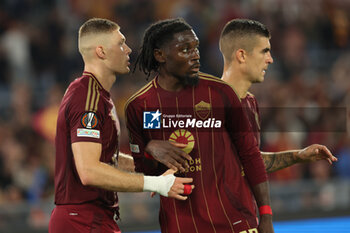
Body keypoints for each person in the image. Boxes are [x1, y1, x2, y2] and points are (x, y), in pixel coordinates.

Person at [125, 18, 274, 233]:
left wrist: (266, 215)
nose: (195, 55)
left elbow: (251, 155)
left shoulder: (221, 93)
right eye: (185, 49)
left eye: (196, 48)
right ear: (160, 55)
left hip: (235, 222)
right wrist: (149, 149)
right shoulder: (140, 106)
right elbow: (144, 174)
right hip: (180, 225)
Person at [48, 18, 194, 233]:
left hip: (89, 219)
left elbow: (107, 160)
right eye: (120, 43)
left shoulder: (96, 95)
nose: (128, 49)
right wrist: (156, 184)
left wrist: (154, 169)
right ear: (101, 51)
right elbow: (89, 171)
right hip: (82, 221)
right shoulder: (87, 97)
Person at [219, 19, 337, 173]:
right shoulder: (209, 103)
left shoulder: (250, 103)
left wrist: (298, 155)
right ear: (242, 55)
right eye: (264, 51)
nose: (270, 59)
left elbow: (251, 160)